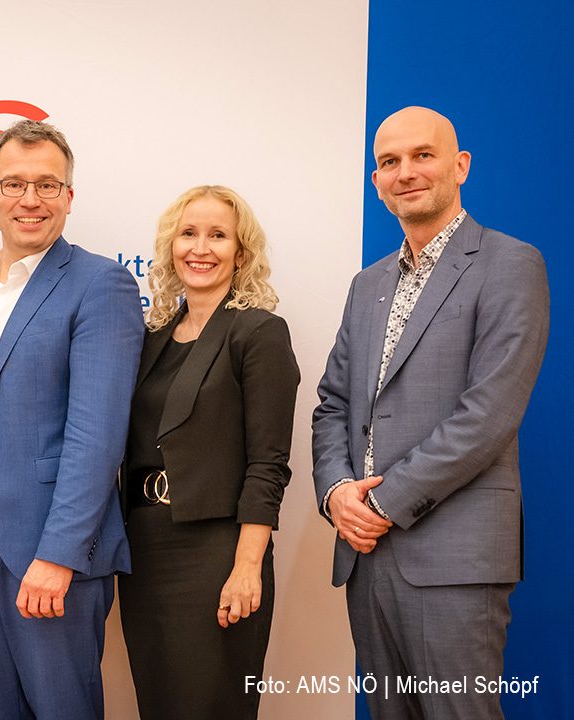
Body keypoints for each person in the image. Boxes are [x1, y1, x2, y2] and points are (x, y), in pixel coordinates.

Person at [312, 106, 549, 719]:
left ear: (460, 166)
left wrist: (380, 505)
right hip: (366, 557)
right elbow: (333, 403)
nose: (405, 172)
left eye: (423, 155)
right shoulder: (367, 285)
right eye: (389, 162)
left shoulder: (509, 263)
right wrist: (338, 490)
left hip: (452, 558)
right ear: (376, 181)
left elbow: (489, 413)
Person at [0, 120, 144, 719]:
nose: (30, 199)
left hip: (49, 545)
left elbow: (96, 437)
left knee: (62, 708)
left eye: (48, 184)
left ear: (69, 197)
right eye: (14, 184)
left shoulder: (100, 284)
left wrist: (60, 554)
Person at [119, 185, 298, 718]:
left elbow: (269, 465)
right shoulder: (152, 336)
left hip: (218, 550)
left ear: (241, 253)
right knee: (159, 704)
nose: (201, 247)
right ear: (171, 247)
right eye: (189, 234)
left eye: (219, 235)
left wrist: (247, 566)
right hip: (145, 548)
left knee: (210, 705)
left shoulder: (258, 333)